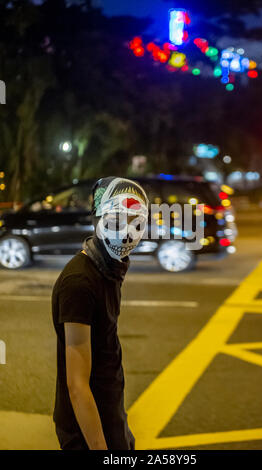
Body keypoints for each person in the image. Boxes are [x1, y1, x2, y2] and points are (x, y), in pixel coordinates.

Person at [52, 177, 149, 450]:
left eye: (136, 222)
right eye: (118, 219)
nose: (128, 232)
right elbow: (77, 383)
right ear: (100, 218)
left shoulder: (110, 268)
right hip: (88, 429)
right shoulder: (80, 282)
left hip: (109, 413)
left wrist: (121, 427)